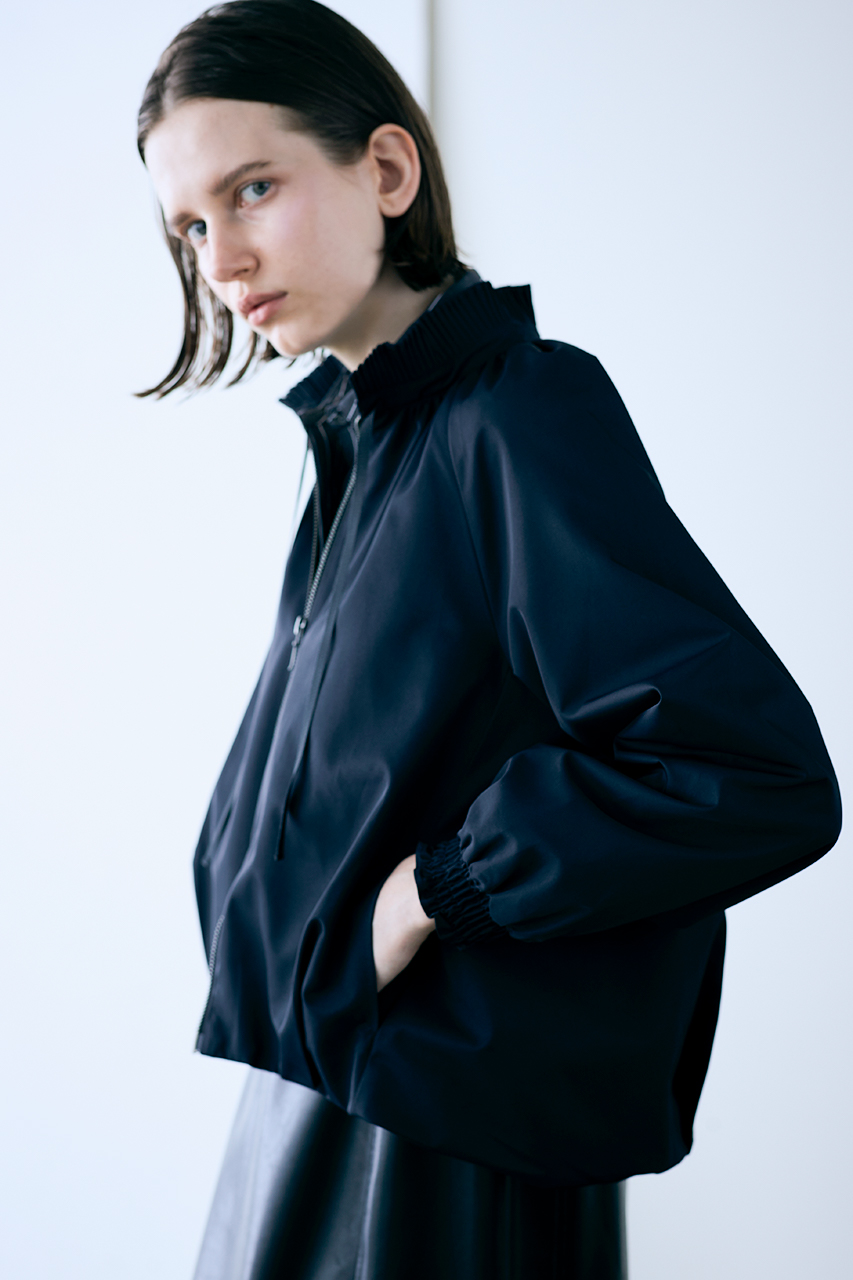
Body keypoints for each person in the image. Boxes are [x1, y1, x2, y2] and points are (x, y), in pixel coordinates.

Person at [137, 2, 842, 1276]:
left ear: (385, 169)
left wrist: (435, 889)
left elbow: (748, 770)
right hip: (312, 1095)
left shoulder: (516, 415)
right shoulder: (360, 443)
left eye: (253, 189)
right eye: (189, 224)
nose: (222, 258)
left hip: (433, 1148)